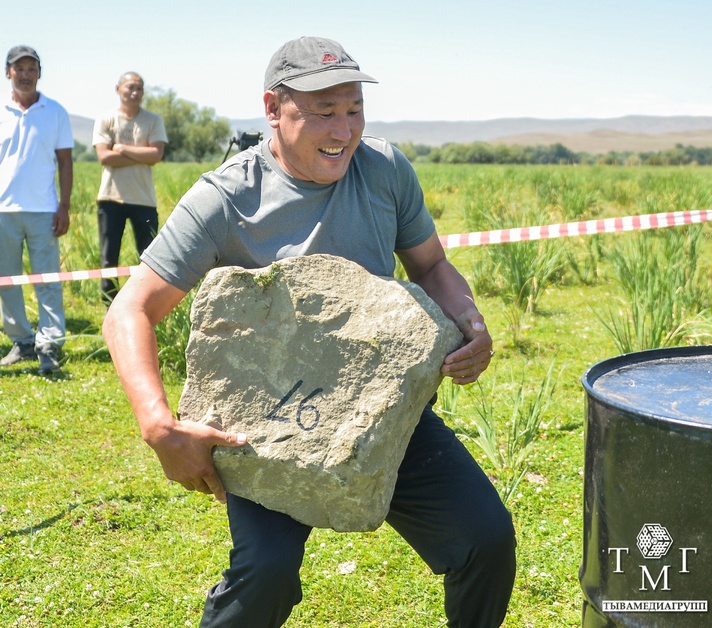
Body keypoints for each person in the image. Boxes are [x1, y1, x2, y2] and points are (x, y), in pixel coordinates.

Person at [103, 36, 516, 627]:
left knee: (485, 539)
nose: (343, 130)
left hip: (379, 406)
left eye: (354, 110)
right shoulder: (226, 198)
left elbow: (431, 266)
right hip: (268, 424)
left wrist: (469, 322)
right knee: (265, 570)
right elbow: (129, 310)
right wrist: (157, 425)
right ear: (274, 109)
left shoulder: (385, 171)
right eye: (324, 111)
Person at [0, 45, 73, 374]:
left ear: (39, 73)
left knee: (48, 281)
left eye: (32, 68)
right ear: (8, 73)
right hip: (3, 212)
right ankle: (23, 342)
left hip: (44, 211)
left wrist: (64, 207)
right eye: (19, 68)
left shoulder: (55, 112)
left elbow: (65, 162)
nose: (26, 74)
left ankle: (50, 345)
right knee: (6, 281)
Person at [92, 72, 167, 305]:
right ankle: (109, 305)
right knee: (108, 258)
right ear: (118, 89)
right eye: (130, 87)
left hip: (143, 200)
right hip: (110, 198)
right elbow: (104, 157)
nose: (135, 92)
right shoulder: (106, 119)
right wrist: (141, 155)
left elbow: (156, 154)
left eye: (139, 88)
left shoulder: (153, 120)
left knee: (148, 257)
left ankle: (143, 303)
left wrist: (122, 148)